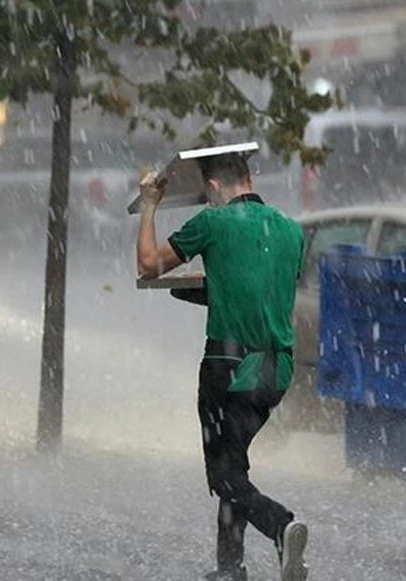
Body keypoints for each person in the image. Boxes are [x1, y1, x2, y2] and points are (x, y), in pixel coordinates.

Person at [135, 151, 309, 581]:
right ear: (249, 176)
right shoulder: (290, 230)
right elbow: (262, 291)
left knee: (224, 475)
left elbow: (148, 264)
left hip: (228, 367)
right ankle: (230, 570)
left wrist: (151, 205)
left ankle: (280, 525)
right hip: (277, 372)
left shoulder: (212, 223)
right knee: (235, 464)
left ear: (212, 188)